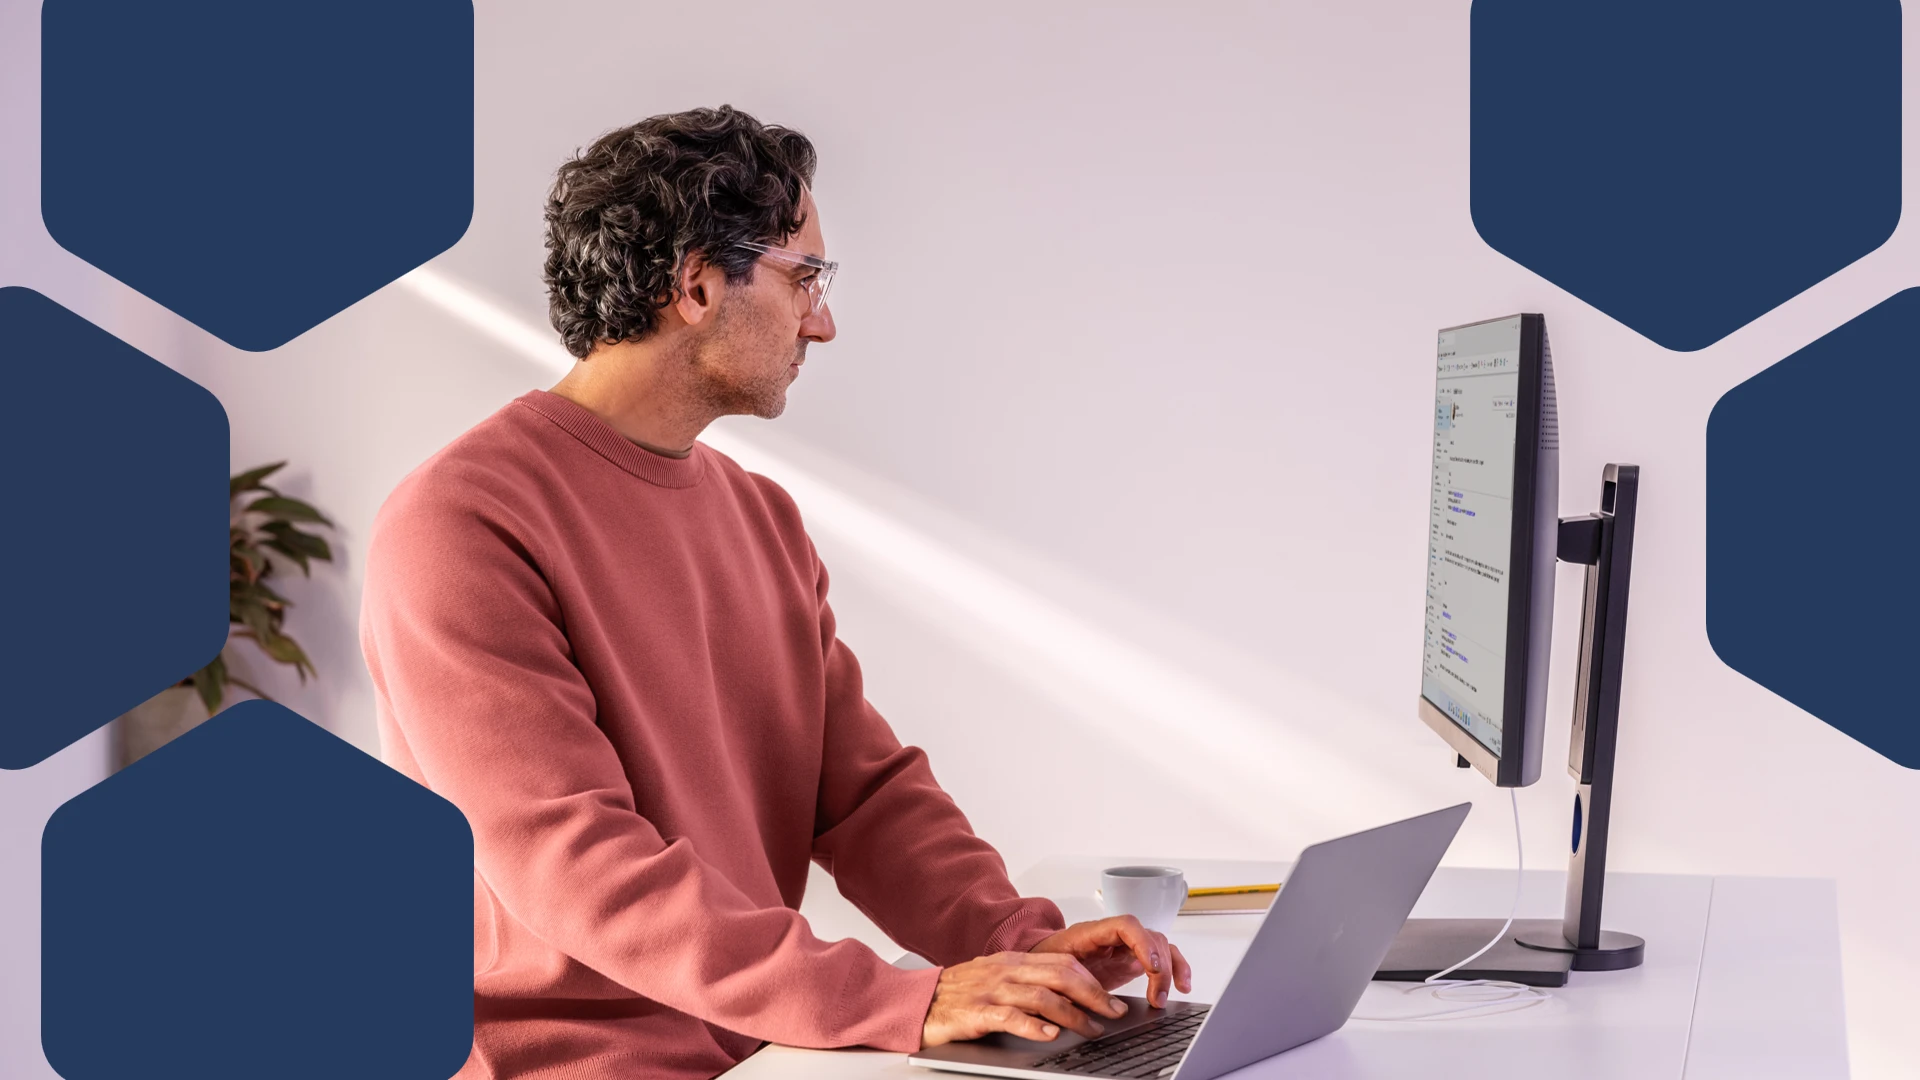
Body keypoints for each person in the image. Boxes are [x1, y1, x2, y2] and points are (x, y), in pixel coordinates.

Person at [359, 105, 1192, 1080]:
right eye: (806, 278)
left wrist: (1010, 941)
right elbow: (576, 866)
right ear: (698, 285)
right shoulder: (459, 522)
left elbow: (864, 797)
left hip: (761, 1050)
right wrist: (901, 1001)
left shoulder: (761, 517)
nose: (824, 322)